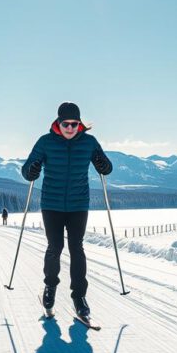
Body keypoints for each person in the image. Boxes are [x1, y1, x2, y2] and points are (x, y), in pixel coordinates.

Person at [22, 102, 112, 321]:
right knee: (55, 247)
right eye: (66, 123)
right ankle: (50, 288)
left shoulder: (89, 142)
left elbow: (107, 168)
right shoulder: (45, 142)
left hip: (78, 204)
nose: (70, 128)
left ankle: (79, 297)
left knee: (76, 247)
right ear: (58, 123)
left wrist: (102, 164)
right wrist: (32, 170)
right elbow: (27, 171)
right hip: (51, 204)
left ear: (79, 123)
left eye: (74, 123)